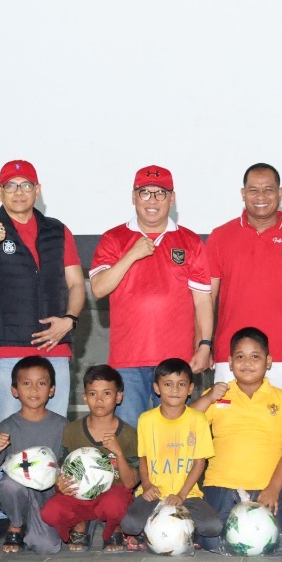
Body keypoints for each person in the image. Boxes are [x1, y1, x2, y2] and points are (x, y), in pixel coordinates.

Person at [90, 166, 212, 427]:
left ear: (172, 198)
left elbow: (203, 300)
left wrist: (204, 345)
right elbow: (99, 288)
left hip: (175, 362)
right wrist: (131, 255)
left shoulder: (190, 241)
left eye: (160, 193)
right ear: (134, 197)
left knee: (174, 436)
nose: (152, 201)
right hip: (127, 360)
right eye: (145, 193)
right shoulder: (114, 238)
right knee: (128, 437)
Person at [0, 160, 85, 424]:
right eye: (11, 186)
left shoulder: (58, 231)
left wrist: (69, 320)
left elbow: (77, 284)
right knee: (7, 434)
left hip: (54, 345)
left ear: (37, 190)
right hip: (6, 348)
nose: (19, 192)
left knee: (55, 431)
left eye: (26, 185)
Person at [207, 163, 282, 398]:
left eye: (268, 190)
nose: (261, 197)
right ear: (243, 194)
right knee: (228, 421)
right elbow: (207, 298)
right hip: (232, 355)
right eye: (253, 190)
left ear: (280, 193)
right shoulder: (220, 237)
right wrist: (203, 344)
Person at [192, 327, 282, 551]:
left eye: (255, 356)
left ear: (268, 361)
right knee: (213, 540)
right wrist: (208, 398)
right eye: (240, 357)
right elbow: (184, 424)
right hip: (221, 487)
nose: (247, 363)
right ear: (230, 363)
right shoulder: (218, 394)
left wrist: (274, 488)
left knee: (273, 542)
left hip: (269, 489)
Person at [121, 358, 222, 544]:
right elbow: (143, 457)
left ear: (190, 388)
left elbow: (199, 463)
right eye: (168, 384)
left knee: (213, 527)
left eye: (181, 384)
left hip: (187, 494)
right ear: (157, 388)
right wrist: (147, 485)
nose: (175, 390)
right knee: (129, 525)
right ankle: (155, 525)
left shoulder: (198, 419)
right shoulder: (146, 420)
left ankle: (181, 527)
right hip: (154, 492)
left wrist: (181, 495)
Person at [40, 364, 139, 552]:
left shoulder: (128, 434)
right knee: (50, 512)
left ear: (118, 396)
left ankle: (114, 526)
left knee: (114, 504)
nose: (99, 399)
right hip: (79, 497)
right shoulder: (72, 430)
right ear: (85, 397)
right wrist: (59, 484)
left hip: (112, 495)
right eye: (93, 394)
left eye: (107, 393)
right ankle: (80, 523)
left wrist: (118, 452)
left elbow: (130, 483)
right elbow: (60, 468)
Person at [0, 356, 68, 555]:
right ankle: (16, 525)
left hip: (47, 495)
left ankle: (33, 527)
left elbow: (67, 464)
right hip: (19, 494)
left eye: (41, 383)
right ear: (14, 390)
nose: (34, 390)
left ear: (51, 390)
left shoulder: (62, 426)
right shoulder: (7, 426)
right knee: (9, 484)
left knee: (48, 546)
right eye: (26, 383)